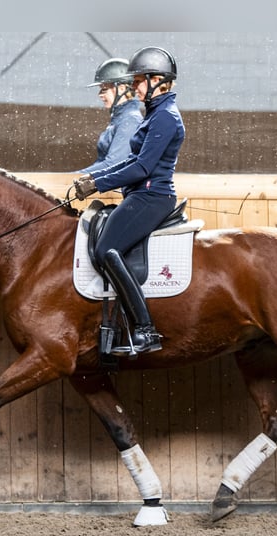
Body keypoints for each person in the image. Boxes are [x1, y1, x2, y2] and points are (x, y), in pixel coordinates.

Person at [73, 46, 184, 355]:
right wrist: (94, 180)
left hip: (152, 196)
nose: (135, 87)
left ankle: (146, 330)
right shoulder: (154, 115)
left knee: (107, 249)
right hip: (141, 194)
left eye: (138, 81)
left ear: (158, 81)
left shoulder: (165, 118)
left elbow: (142, 168)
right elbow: (128, 162)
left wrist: (97, 183)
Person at [79, 58, 144, 173]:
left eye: (104, 89)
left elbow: (114, 164)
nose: (100, 95)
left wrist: (72, 178)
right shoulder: (120, 118)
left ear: (121, 88)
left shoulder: (130, 120)